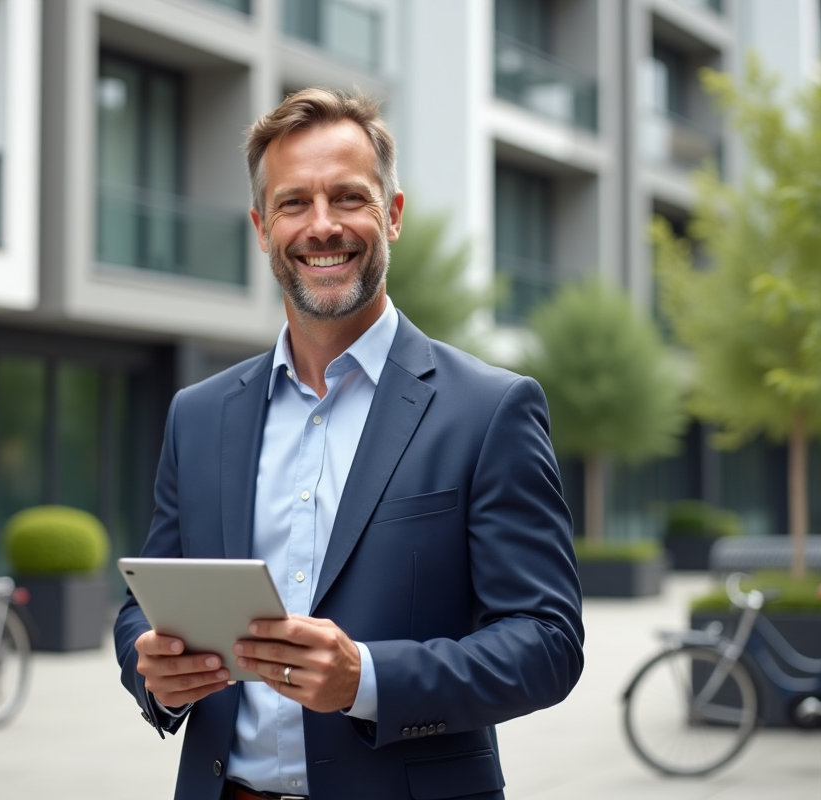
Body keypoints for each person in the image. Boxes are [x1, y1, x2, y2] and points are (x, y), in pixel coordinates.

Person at [114, 87, 584, 800]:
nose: (322, 226)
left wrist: (368, 678)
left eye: (348, 198)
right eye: (294, 203)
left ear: (391, 216)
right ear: (261, 226)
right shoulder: (198, 414)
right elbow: (144, 601)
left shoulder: (489, 409)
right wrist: (155, 670)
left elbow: (548, 643)